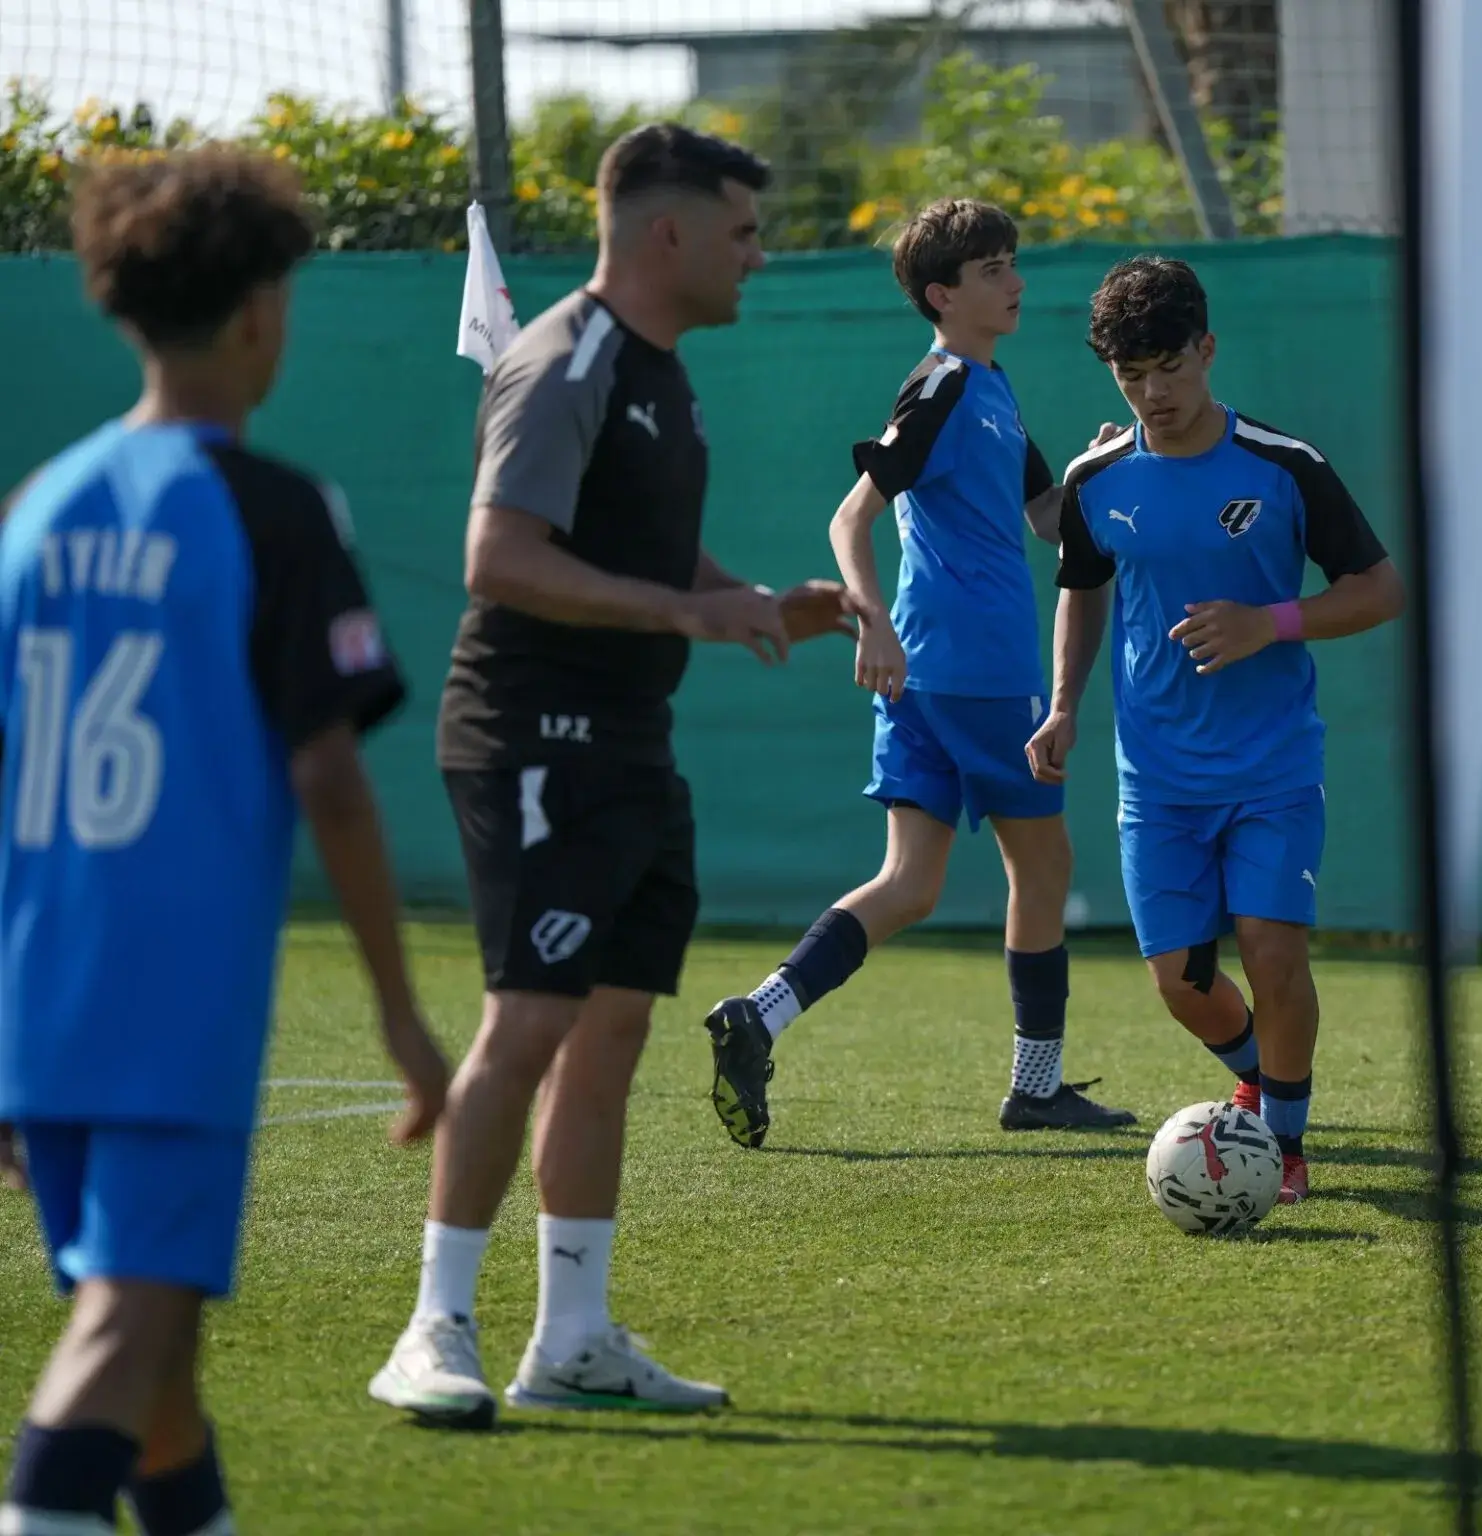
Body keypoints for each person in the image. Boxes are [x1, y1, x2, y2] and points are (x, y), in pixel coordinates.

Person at [368, 123, 852, 1427]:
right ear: (669, 234)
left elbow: (649, 550)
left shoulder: (667, 376)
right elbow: (501, 559)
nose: (759, 256)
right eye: (743, 232)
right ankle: (434, 1328)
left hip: (632, 741)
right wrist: (686, 614)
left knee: (614, 1030)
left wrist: (750, 599)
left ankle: (570, 1338)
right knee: (526, 1026)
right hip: (530, 735)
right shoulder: (564, 356)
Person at [0, 148, 448, 1536]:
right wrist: (401, 1019)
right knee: (130, 1323)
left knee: (160, 1352)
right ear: (261, 310)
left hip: (40, 997)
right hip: (170, 998)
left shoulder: (34, 514)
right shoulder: (271, 509)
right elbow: (334, 779)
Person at [703, 198, 1135, 1151]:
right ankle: (1036, 1085)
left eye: (1015, 263)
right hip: (974, 677)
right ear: (943, 295)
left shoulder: (992, 389)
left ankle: (759, 1014)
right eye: (993, 271)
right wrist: (871, 624)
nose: (1016, 282)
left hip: (932, 684)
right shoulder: (941, 385)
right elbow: (849, 518)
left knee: (909, 883)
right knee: (1044, 865)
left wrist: (1099, 469)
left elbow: (1046, 517)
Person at [1028, 254, 1404, 1205]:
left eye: (1169, 367)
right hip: (1157, 781)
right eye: (1130, 375)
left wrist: (1267, 622)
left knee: (1273, 953)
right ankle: (1255, 1071)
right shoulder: (1097, 478)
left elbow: (1380, 590)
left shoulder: (1285, 466)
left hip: (1273, 767)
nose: (1152, 392)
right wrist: (1065, 704)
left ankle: (1282, 1138)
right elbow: (1081, 587)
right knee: (1182, 986)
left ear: (1207, 349)